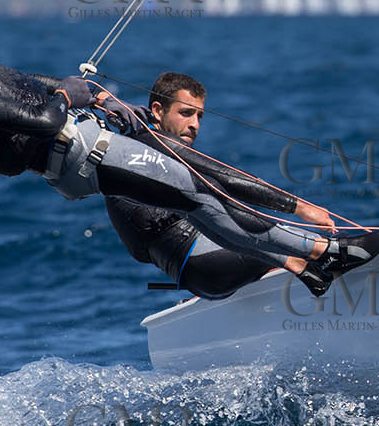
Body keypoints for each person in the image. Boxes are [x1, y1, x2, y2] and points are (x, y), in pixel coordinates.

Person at [0, 0, 379, 296]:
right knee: (196, 193)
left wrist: (80, 92)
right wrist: (72, 97)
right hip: (80, 154)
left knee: (195, 194)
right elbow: (39, 120)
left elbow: (26, 83)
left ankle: (306, 264)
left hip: (84, 141)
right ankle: (321, 255)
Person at [104, 72, 294, 299]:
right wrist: (299, 208)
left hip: (201, 277)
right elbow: (227, 183)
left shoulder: (141, 147)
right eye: (185, 113)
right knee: (313, 249)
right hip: (208, 265)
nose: (194, 125)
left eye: (199, 116)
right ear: (157, 110)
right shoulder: (145, 151)